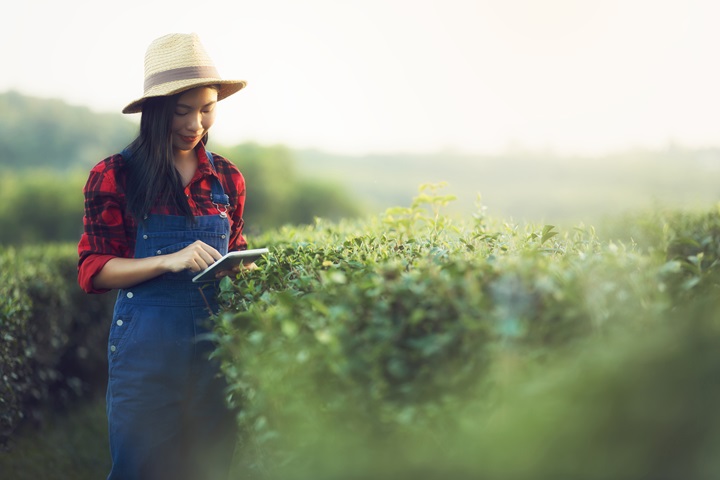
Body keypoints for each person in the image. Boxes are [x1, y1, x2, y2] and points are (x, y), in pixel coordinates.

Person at [77, 33, 251, 480]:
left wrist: (245, 268)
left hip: (214, 351)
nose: (196, 123)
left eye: (207, 108)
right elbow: (94, 270)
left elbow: (238, 250)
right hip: (146, 353)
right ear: (156, 112)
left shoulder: (228, 179)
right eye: (182, 111)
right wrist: (168, 260)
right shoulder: (114, 175)